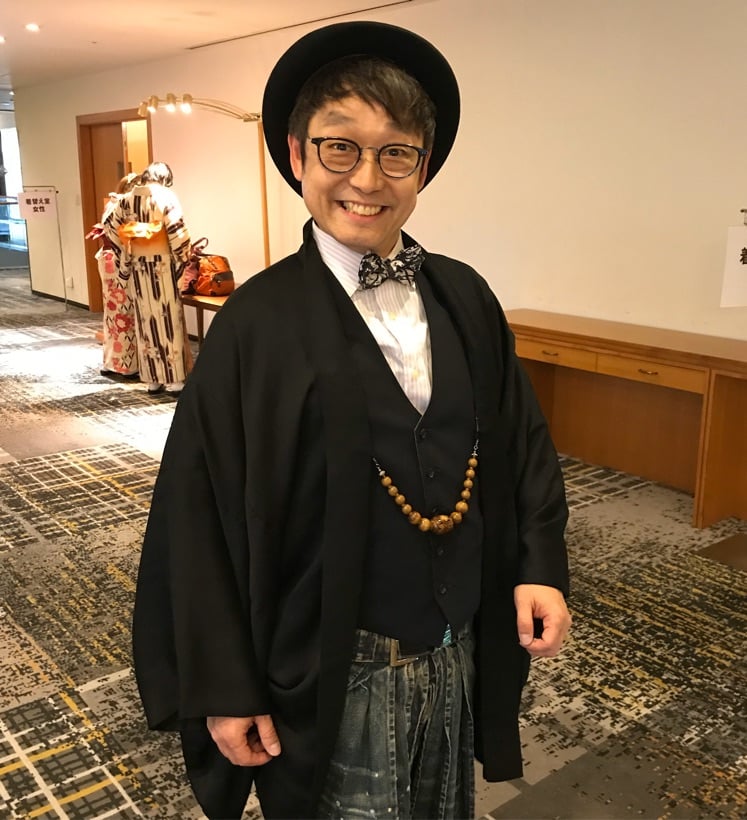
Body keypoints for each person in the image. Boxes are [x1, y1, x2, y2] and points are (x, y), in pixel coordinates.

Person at [132, 20, 571, 820]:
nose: (366, 179)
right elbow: (195, 517)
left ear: (422, 168)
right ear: (297, 155)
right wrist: (225, 684)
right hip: (329, 667)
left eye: (395, 153)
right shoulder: (254, 326)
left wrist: (537, 565)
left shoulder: (464, 295)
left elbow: (521, 447)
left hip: (456, 649)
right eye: (340, 147)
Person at [104, 161, 192, 396]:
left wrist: (127, 251)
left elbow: (110, 226)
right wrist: (183, 257)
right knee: (168, 320)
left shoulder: (127, 199)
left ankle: (152, 380)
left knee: (146, 323)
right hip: (163, 266)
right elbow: (178, 233)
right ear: (164, 178)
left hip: (138, 266)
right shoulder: (166, 197)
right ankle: (174, 380)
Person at [85, 172, 140, 379]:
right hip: (120, 261)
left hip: (108, 258)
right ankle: (127, 364)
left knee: (112, 313)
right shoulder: (125, 206)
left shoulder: (112, 204)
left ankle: (111, 361)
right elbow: (127, 240)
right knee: (126, 313)